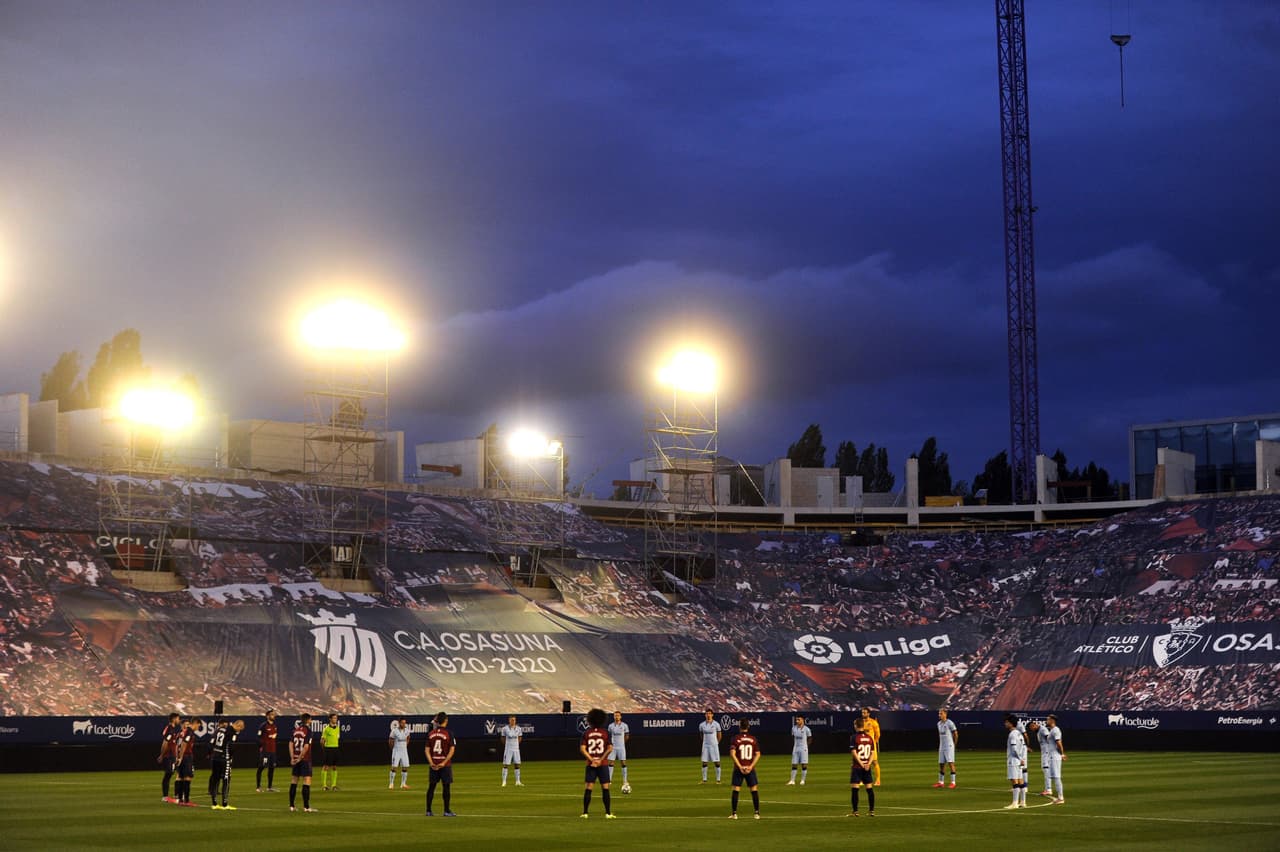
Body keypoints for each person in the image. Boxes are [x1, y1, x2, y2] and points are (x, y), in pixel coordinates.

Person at [579, 707, 616, 819]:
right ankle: (608, 813)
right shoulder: (605, 733)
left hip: (590, 765)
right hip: (603, 764)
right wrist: (600, 760)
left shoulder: (586, 733)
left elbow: (582, 749)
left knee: (588, 787)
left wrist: (592, 760)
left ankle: (585, 813)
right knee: (605, 788)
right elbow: (610, 748)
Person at [728, 719, 761, 820]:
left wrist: (740, 766)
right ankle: (757, 813)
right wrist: (751, 766)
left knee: (736, 790)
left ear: (739, 726)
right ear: (748, 727)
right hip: (750, 768)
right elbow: (758, 754)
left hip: (739, 768)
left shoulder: (735, 738)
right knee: (754, 790)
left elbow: (732, 754)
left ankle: (734, 814)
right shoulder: (753, 739)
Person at [425, 712, 457, 817]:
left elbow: (427, 750)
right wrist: (443, 762)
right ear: (445, 721)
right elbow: (452, 750)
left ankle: (428, 810)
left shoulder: (431, 733)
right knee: (446, 787)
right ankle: (446, 810)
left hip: (433, 763)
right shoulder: (449, 733)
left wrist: (431, 762)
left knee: (431, 787)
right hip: (445, 764)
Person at [208, 719, 245, 810]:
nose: (239, 731)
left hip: (215, 757)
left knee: (215, 779)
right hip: (224, 758)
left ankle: (214, 803)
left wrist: (211, 753)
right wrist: (230, 757)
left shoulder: (219, 729)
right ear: (238, 725)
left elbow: (211, 743)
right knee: (226, 779)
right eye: (240, 729)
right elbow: (232, 747)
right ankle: (225, 804)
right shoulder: (232, 733)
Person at [848, 717, 877, 817]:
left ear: (856, 725)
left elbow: (854, 753)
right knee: (869, 789)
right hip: (867, 767)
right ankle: (872, 811)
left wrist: (861, 764)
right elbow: (873, 753)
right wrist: (868, 764)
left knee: (855, 789)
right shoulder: (869, 738)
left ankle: (855, 811)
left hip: (857, 767)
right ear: (863, 725)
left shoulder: (854, 737)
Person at [289, 713, 316, 813]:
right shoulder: (308, 731)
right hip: (305, 759)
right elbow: (306, 747)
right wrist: (300, 758)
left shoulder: (295, 730)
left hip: (295, 758)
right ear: (308, 720)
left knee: (294, 781)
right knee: (306, 781)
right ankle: (306, 807)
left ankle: (292, 806)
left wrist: (293, 757)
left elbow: (291, 743)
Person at [173, 717, 200, 807]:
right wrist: (180, 757)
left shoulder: (181, 733)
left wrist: (177, 757)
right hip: (186, 756)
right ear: (195, 723)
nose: (198, 728)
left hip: (181, 756)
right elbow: (184, 744)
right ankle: (187, 800)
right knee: (188, 777)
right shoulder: (189, 732)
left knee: (180, 777)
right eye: (198, 725)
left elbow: (177, 745)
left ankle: (180, 799)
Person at [1003, 714, 1028, 810]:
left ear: (1010, 723)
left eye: (1006, 722)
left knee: (1014, 781)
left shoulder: (1012, 734)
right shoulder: (1019, 733)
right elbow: (1022, 747)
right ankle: (1023, 802)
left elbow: (1014, 748)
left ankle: (1014, 803)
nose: (1005, 724)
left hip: (1013, 760)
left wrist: (1019, 758)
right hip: (1019, 760)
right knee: (1021, 780)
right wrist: (1022, 758)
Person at [158, 712, 181, 803]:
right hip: (169, 756)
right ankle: (165, 796)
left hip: (171, 756)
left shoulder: (171, 729)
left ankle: (166, 796)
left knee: (169, 774)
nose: (179, 720)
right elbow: (165, 743)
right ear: (174, 719)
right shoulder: (170, 730)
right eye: (178, 719)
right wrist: (162, 755)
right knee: (168, 774)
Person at [1044, 714, 1066, 804]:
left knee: (1057, 777)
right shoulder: (1052, 730)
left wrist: (1062, 754)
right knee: (1055, 777)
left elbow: (1059, 743)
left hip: (1055, 756)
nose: (1046, 721)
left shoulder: (1056, 730)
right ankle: (1060, 797)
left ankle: (1061, 798)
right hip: (1052, 756)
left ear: (1052, 720)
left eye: (1048, 719)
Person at [607, 711, 632, 793]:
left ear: (620, 717)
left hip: (621, 747)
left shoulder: (624, 725)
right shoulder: (610, 726)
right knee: (611, 763)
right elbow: (608, 736)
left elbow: (627, 735)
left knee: (623, 763)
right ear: (614, 717)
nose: (616, 717)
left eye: (618, 715)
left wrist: (622, 742)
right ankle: (609, 780)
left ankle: (625, 781)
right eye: (615, 716)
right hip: (613, 747)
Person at [256, 709, 279, 793]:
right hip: (265, 751)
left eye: (274, 714)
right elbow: (258, 737)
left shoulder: (275, 726)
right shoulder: (263, 726)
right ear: (267, 716)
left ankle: (269, 787)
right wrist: (262, 745)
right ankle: (258, 787)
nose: (274, 716)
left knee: (272, 768)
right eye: (272, 714)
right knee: (261, 767)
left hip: (273, 751)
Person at [934, 708, 958, 788]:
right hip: (942, 746)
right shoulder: (938, 724)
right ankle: (941, 782)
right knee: (941, 764)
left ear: (945, 714)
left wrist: (954, 744)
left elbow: (955, 734)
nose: (939, 715)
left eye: (941, 713)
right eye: (939, 713)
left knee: (951, 763)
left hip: (949, 746)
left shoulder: (950, 723)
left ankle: (953, 782)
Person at [786, 715, 812, 786]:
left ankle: (802, 780)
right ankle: (792, 780)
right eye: (796, 720)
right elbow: (792, 736)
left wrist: (806, 746)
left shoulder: (807, 729)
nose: (797, 721)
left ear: (802, 720)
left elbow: (810, 738)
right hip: (796, 748)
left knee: (804, 765)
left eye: (799, 720)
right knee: (794, 764)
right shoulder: (793, 728)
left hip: (803, 749)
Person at [698, 709, 722, 784]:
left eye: (709, 713)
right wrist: (705, 742)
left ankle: (718, 780)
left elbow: (719, 735)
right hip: (705, 745)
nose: (708, 715)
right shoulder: (701, 725)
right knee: (704, 762)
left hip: (714, 745)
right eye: (707, 713)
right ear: (705, 715)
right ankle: (704, 780)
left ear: (712, 715)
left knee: (717, 763)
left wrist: (716, 743)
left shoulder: (716, 724)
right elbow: (701, 735)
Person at [860, 707, 883, 786]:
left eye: (865, 712)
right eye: (862, 712)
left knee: (874, 762)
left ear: (868, 713)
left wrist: (874, 741)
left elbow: (878, 734)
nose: (863, 714)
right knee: (862, 762)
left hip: (871, 745)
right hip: (863, 745)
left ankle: (878, 780)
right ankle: (863, 780)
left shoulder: (873, 722)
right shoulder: (860, 722)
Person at [499, 715, 523, 787]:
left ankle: (518, 781)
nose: (513, 721)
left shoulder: (518, 728)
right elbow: (502, 738)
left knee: (517, 764)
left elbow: (520, 737)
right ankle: (504, 782)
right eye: (511, 720)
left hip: (516, 749)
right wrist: (508, 745)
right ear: (509, 720)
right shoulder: (505, 729)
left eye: (514, 720)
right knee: (506, 764)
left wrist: (516, 744)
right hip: (508, 749)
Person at [389, 716, 411, 789]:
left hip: (404, 751)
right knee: (394, 767)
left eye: (405, 723)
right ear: (399, 723)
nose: (404, 724)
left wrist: (406, 745)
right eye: (402, 723)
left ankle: (403, 784)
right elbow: (391, 739)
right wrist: (393, 748)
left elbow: (408, 737)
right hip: (396, 751)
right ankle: (391, 783)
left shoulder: (407, 730)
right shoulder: (394, 731)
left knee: (405, 767)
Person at [321, 712, 341, 791]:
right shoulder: (326, 728)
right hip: (328, 749)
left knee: (334, 767)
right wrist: (324, 749)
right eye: (334, 718)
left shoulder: (337, 728)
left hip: (336, 748)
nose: (335, 719)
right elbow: (322, 740)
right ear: (330, 719)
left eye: (336, 718)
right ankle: (324, 785)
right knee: (326, 767)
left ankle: (333, 785)